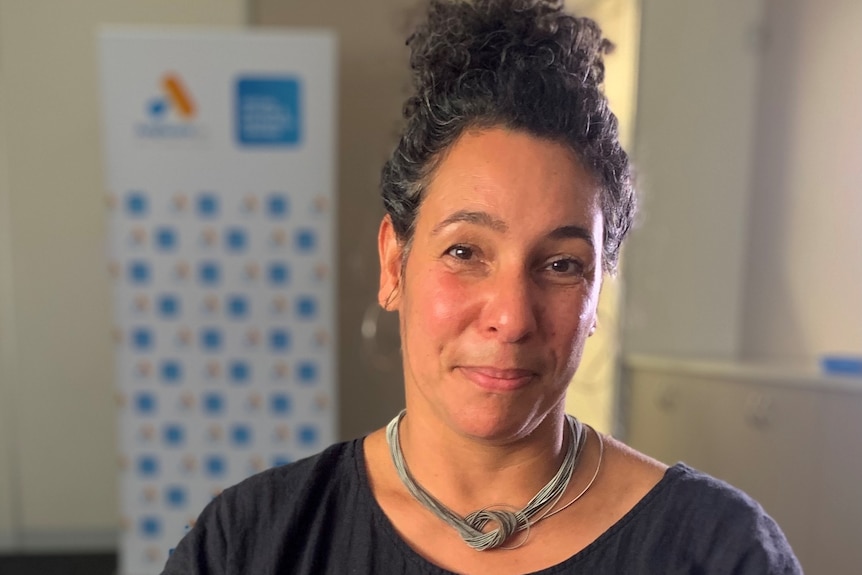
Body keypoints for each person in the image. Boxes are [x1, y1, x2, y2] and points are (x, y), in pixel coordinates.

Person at [161, 0, 802, 573]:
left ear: (597, 291)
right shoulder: (252, 544)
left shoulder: (717, 550)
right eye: (466, 251)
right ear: (394, 264)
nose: (511, 316)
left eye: (561, 265)